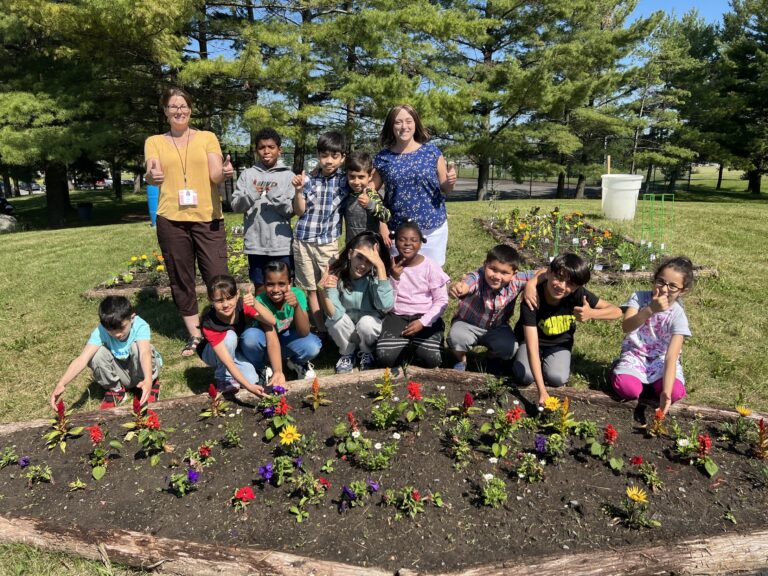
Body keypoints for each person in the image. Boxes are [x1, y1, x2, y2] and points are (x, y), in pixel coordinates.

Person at [144, 87, 234, 357]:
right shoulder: (154, 141)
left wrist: (224, 172)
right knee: (181, 277)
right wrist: (151, 176)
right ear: (165, 111)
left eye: (183, 106)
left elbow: (215, 173)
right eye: (173, 106)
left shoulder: (207, 137)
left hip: (208, 218)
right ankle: (195, 335)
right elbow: (151, 172)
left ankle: (226, 328)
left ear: (191, 110)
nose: (179, 111)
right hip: (171, 219)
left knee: (217, 274)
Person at [512, 253, 622, 405]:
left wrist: (592, 313)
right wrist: (542, 391)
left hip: (559, 344)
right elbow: (532, 346)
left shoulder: (578, 294)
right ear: (548, 273)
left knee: (557, 378)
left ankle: (548, 363)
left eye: (570, 284)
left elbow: (617, 311)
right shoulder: (533, 297)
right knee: (525, 376)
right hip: (531, 341)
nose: (562, 286)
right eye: (559, 278)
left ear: (577, 286)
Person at [372, 104, 457, 266]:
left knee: (432, 275)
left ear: (415, 123)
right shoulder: (383, 157)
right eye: (398, 122)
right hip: (398, 232)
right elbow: (371, 191)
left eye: (408, 121)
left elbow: (446, 188)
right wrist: (381, 223)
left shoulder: (432, 152)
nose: (404, 126)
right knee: (400, 276)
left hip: (432, 229)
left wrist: (450, 181)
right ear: (391, 126)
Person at [611, 256, 694, 415]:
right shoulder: (639, 298)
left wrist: (666, 392)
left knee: (675, 392)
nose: (664, 289)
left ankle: (653, 385)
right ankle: (619, 370)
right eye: (661, 282)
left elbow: (671, 356)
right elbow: (626, 326)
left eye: (673, 286)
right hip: (635, 355)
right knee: (628, 390)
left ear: (683, 291)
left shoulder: (678, 315)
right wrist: (650, 309)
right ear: (654, 279)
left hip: (660, 360)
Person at [50, 296, 162, 410]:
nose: (117, 334)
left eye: (122, 328)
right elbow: (82, 359)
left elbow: (144, 353)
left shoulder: (139, 325)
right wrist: (62, 383)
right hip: (122, 374)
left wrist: (148, 379)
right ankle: (116, 390)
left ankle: (150, 384)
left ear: (132, 318)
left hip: (143, 370)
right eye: (111, 331)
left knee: (137, 348)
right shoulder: (101, 331)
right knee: (95, 355)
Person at [448, 245, 542, 374]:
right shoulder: (478, 277)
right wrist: (458, 288)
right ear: (485, 265)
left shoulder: (516, 281)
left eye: (504, 273)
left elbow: (545, 271)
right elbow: (467, 283)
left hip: (497, 327)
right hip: (467, 324)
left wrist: (531, 284)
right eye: (493, 269)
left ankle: (491, 358)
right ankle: (461, 359)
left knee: (509, 348)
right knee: (456, 337)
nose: (497, 276)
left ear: (514, 274)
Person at [291, 131, 349, 337]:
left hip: (327, 243)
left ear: (342, 157)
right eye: (324, 156)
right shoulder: (308, 179)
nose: (329, 161)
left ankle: (335, 324)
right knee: (310, 288)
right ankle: (322, 329)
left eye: (334, 156)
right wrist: (299, 191)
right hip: (303, 240)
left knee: (329, 285)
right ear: (317, 155)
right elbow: (299, 211)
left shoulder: (344, 180)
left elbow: (364, 176)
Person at [317, 231, 394, 373]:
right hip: (345, 333)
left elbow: (385, 305)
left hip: (368, 333)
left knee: (367, 322)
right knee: (336, 321)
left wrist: (380, 266)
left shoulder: (374, 277)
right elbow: (335, 314)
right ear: (350, 254)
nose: (363, 265)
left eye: (369, 261)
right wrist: (324, 291)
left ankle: (367, 352)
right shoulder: (337, 276)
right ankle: (347, 354)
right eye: (359, 257)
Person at [376, 220, 449, 368]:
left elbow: (441, 300)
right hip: (397, 315)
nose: (408, 244)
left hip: (425, 316)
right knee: (385, 358)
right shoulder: (388, 265)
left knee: (432, 359)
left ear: (420, 243)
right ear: (395, 242)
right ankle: (408, 347)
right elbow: (385, 303)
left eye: (414, 240)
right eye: (402, 239)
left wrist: (423, 322)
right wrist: (394, 278)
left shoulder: (431, 266)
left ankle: (417, 346)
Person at [231, 127, 295, 294]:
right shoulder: (247, 175)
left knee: (283, 287)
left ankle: (285, 313)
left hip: (281, 244)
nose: (266, 151)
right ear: (256, 150)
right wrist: (252, 194)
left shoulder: (288, 176)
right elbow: (236, 206)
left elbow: (291, 211)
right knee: (260, 285)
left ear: (279, 150)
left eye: (271, 147)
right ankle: (261, 312)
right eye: (261, 147)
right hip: (256, 244)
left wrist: (274, 196)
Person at [196, 274, 277, 396]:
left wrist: (255, 304)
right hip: (212, 352)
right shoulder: (209, 323)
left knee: (252, 379)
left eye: (229, 298)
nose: (225, 305)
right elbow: (228, 361)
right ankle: (223, 379)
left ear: (237, 294)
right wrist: (249, 388)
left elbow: (272, 321)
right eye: (219, 301)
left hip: (232, 348)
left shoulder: (241, 305)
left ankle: (250, 372)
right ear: (210, 300)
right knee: (230, 336)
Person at [241, 261, 322, 381]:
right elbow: (271, 334)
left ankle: (297, 362)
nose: (276, 289)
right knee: (250, 338)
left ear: (289, 283)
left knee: (312, 345)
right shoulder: (259, 302)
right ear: (264, 284)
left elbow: (304, 332)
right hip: (266, 341)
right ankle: (261, 367)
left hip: (286, 339)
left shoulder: (297, 294)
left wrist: (296, 306)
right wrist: (278, 371)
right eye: (270, 284)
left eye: (281, 284)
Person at [343, 151, 390, 242]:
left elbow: (386, 216)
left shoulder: (371, 194)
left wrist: (370, 204)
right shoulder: (346, 192)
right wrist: (318, 168)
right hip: (351, 243)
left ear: (370, 176)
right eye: (352, 176)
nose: (356, 182)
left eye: (361, 177)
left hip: (370, 244)